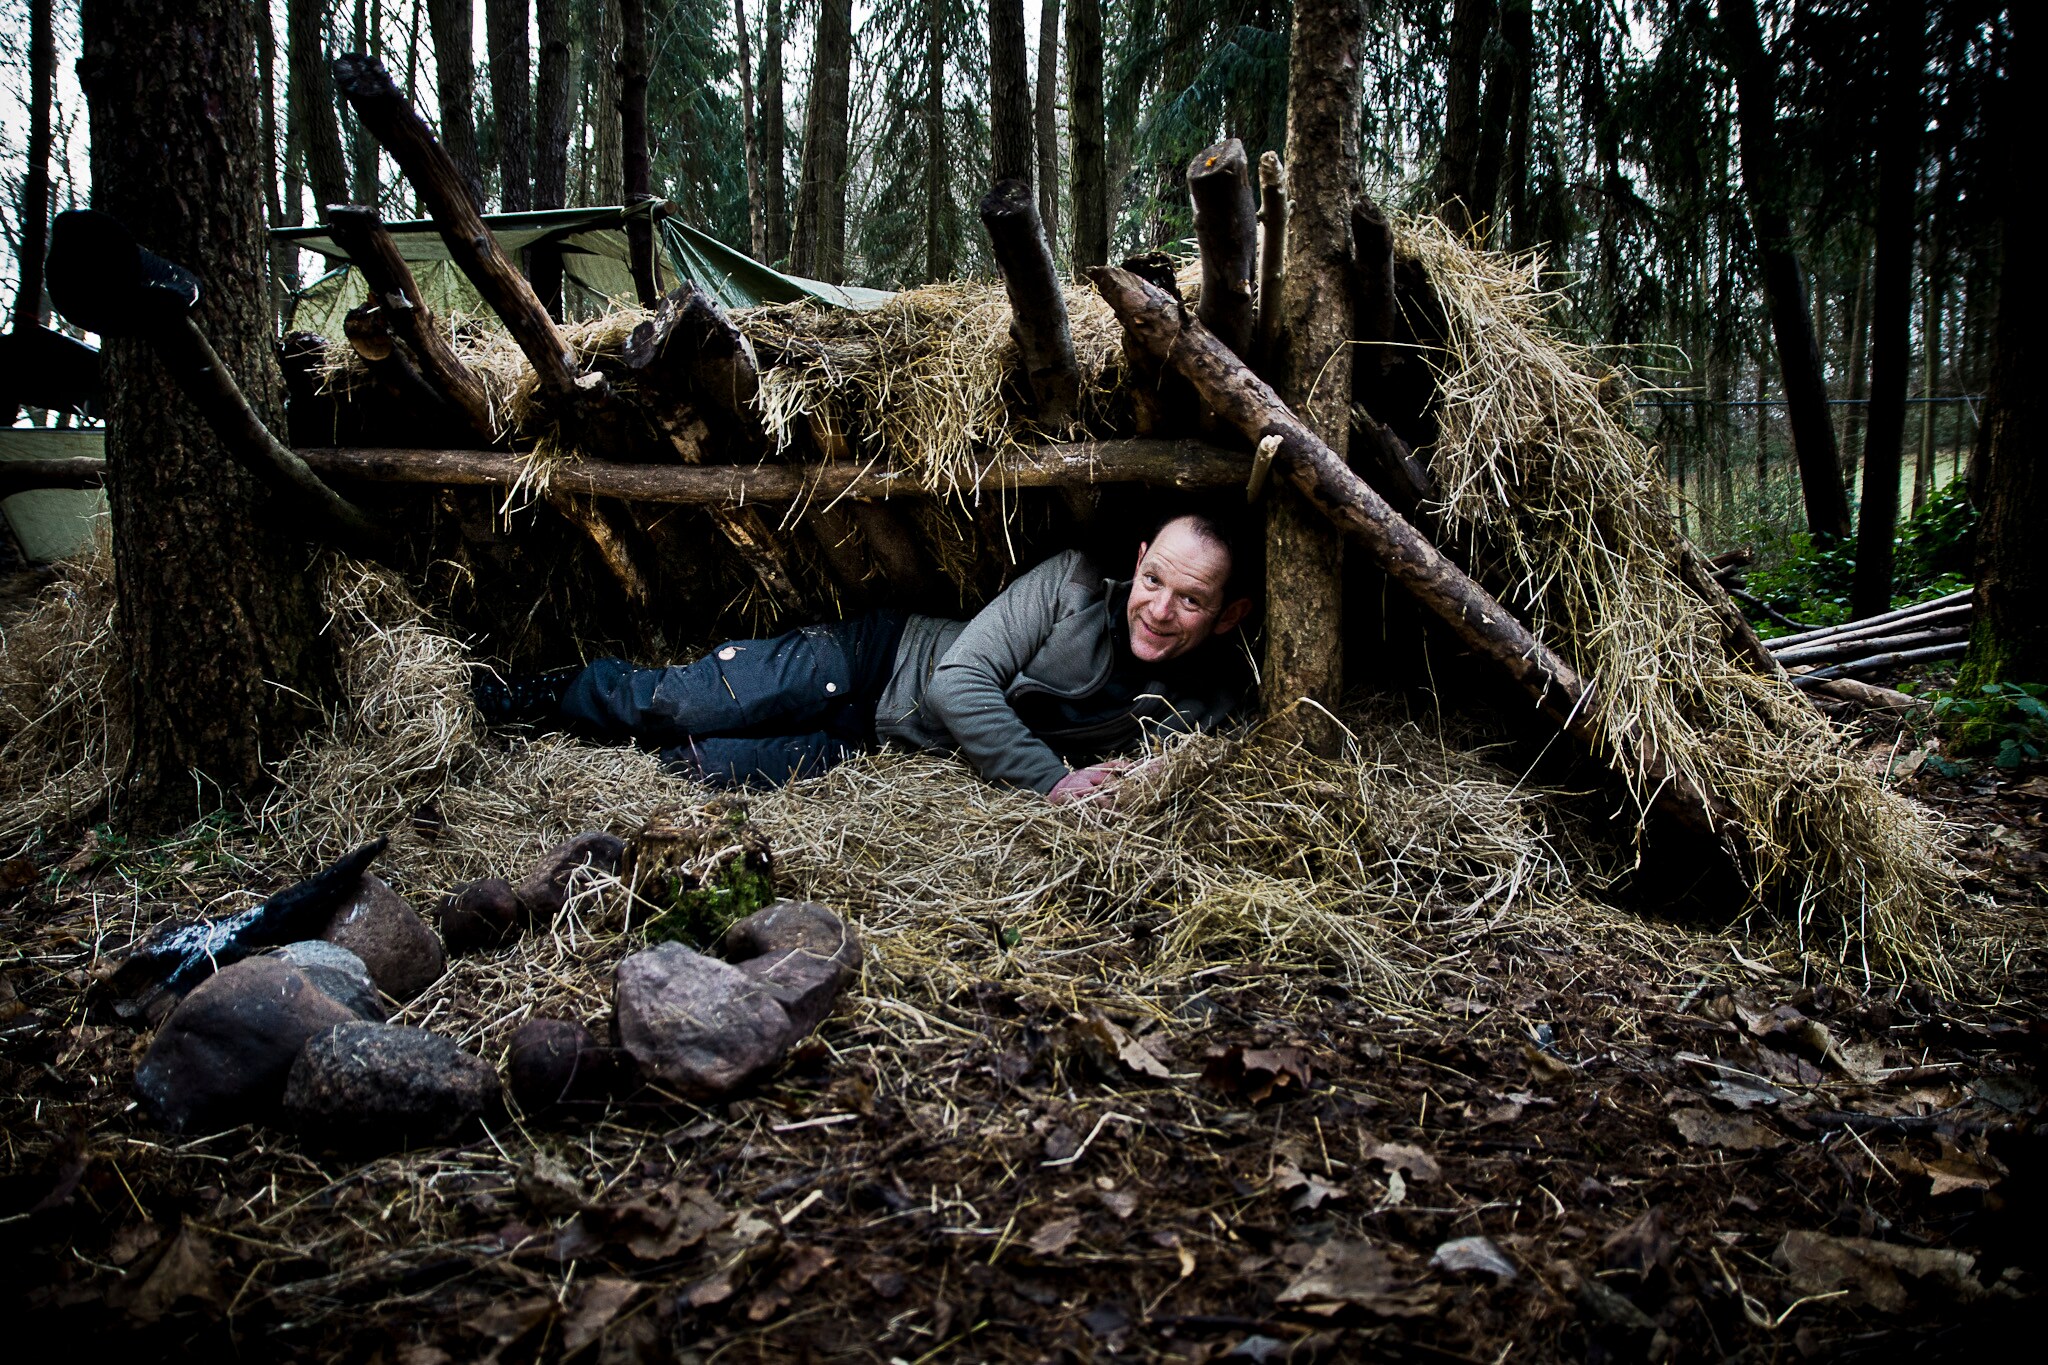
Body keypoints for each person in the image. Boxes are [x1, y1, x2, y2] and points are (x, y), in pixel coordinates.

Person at [474, 511, 1256, 803]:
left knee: (698, 765)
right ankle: (545, 695)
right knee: (679, 702)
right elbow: (958, 683)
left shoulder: (1204, 702)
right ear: (1141, 554)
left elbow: (1173, 763)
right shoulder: (1075, 583)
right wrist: (1052, 781)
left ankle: (589, 733)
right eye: (1154, 579)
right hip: (872, 661)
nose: (1158, 608)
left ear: (1229, 616)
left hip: (872, 743)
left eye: (1190, 600)